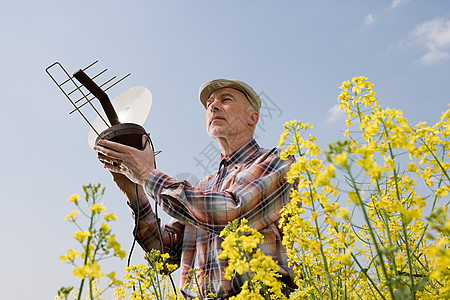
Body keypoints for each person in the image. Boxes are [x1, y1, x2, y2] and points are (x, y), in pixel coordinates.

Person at [94, 79, 295, 299]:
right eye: (209, 103)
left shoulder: (278, 162)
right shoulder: (203, 187)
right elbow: (163, 258)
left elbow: (233, 213)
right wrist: (137, 195)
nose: (213, 106)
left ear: (252, 117)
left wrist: (146, 174)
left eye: (225, 99)